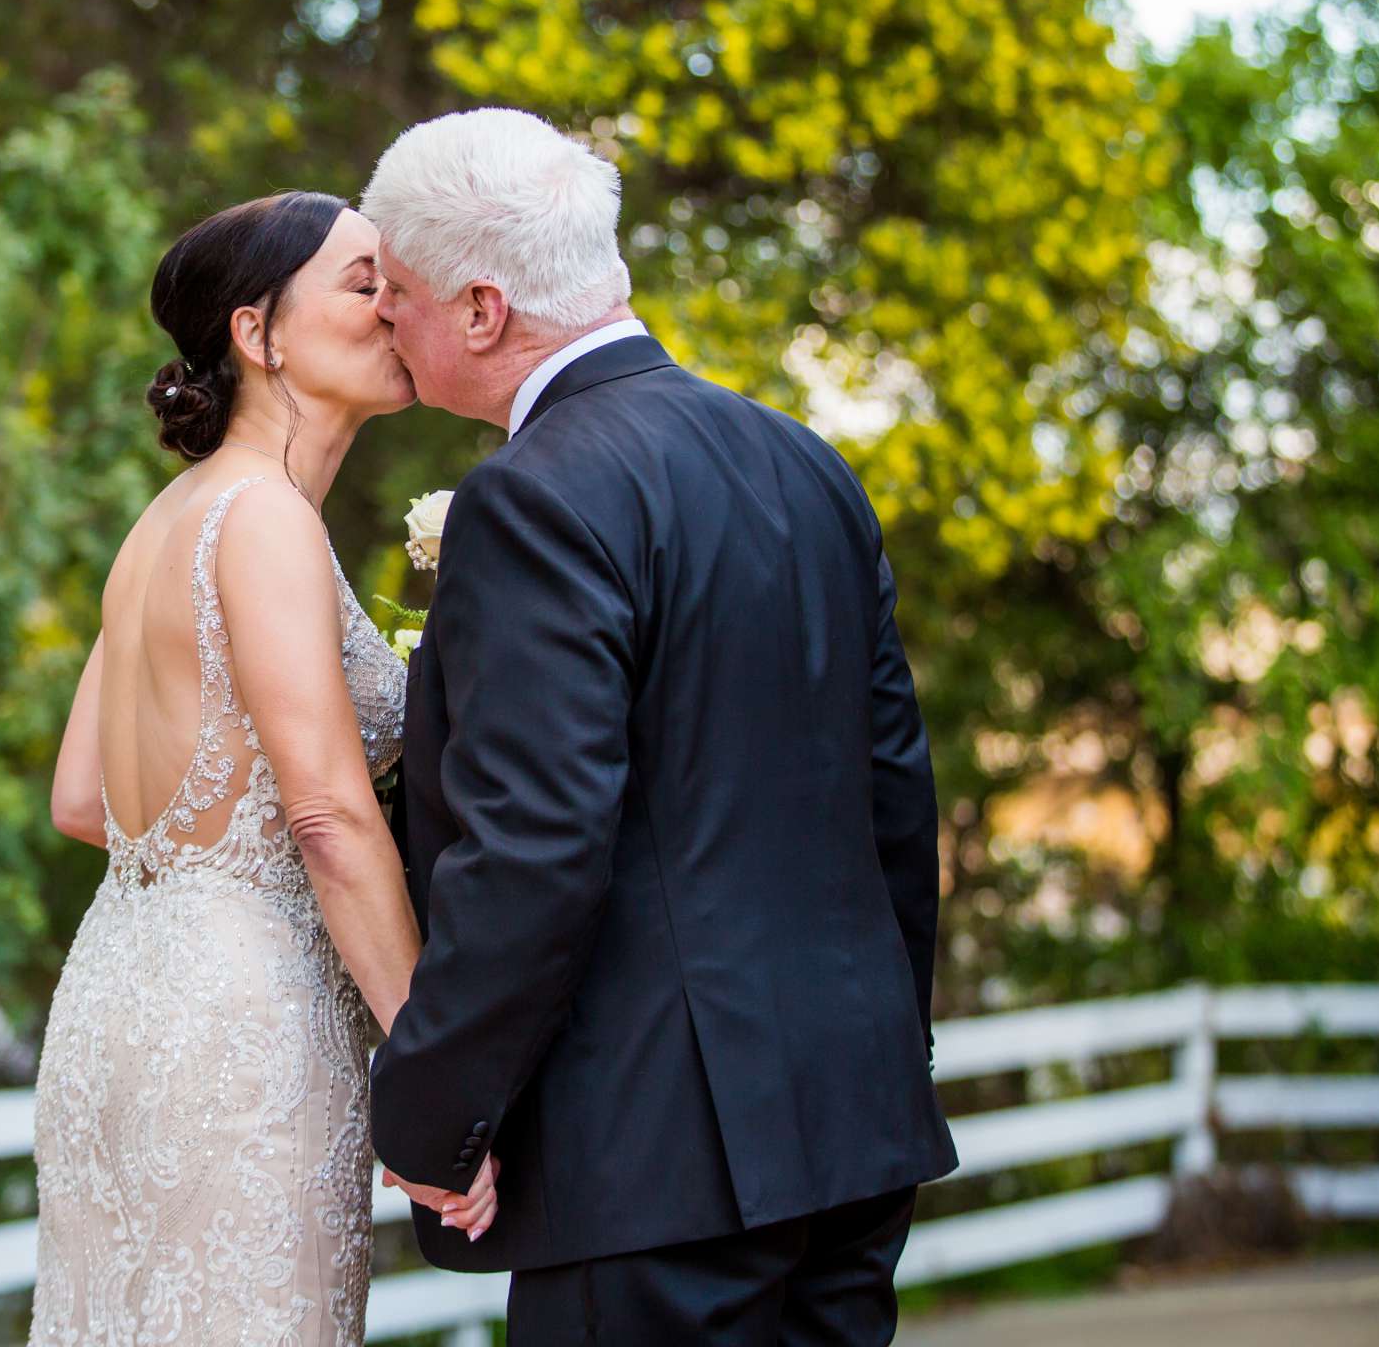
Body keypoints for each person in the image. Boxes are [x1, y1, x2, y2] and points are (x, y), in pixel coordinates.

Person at [362, 109, 958, 1345]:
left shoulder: (532, 499)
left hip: (658, 1166)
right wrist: (887, 1046)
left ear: (481, 311)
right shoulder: (805, 466)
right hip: (851, 1126)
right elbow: (894, 795)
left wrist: (433, 1110)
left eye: (402, 293)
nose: (385, 319)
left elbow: (536, 846)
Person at [28, 191, 495, 1347]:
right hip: (246, 1024)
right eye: (362, 282)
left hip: (114, 1003)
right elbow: (331, 815)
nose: (393, 305)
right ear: (257, 332)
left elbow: (83, 800)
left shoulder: (164, 522)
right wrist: (435, 1087)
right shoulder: (270, 521)